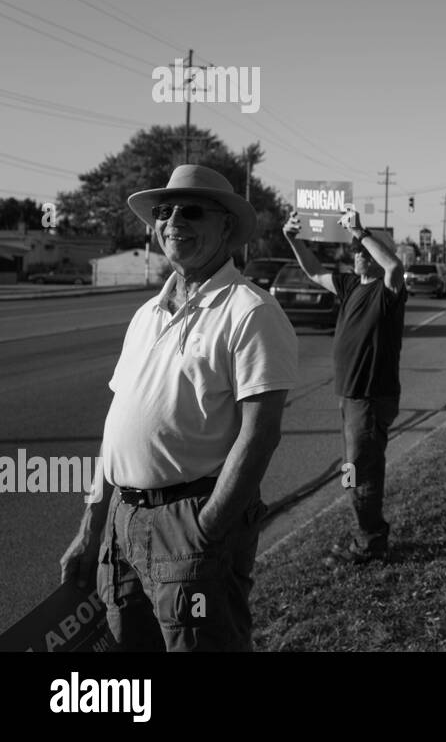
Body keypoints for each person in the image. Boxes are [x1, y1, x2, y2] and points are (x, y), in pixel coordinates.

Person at [59, 165, 298, 651]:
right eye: (163, 212)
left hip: (189, 525)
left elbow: (261, 433)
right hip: (122, 527)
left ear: (227, 226)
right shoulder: (146, 314)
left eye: (190, 211)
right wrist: (91, 526)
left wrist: (207, 530)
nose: (172, 222)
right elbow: (115, 428)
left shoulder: (250, 311)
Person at [284, 209, 406, 566]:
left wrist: (361, 230)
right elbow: (314, 271)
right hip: (351, 396)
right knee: (357, 469)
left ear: (376, 256)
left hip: (369, 397)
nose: (356, 254)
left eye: (363, 250)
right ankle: (369, 534)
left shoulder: (390, 290)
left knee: (361, 472)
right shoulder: (351, 285)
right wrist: (293, 239)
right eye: (354, 249)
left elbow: (395, 267)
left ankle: (369, 542)